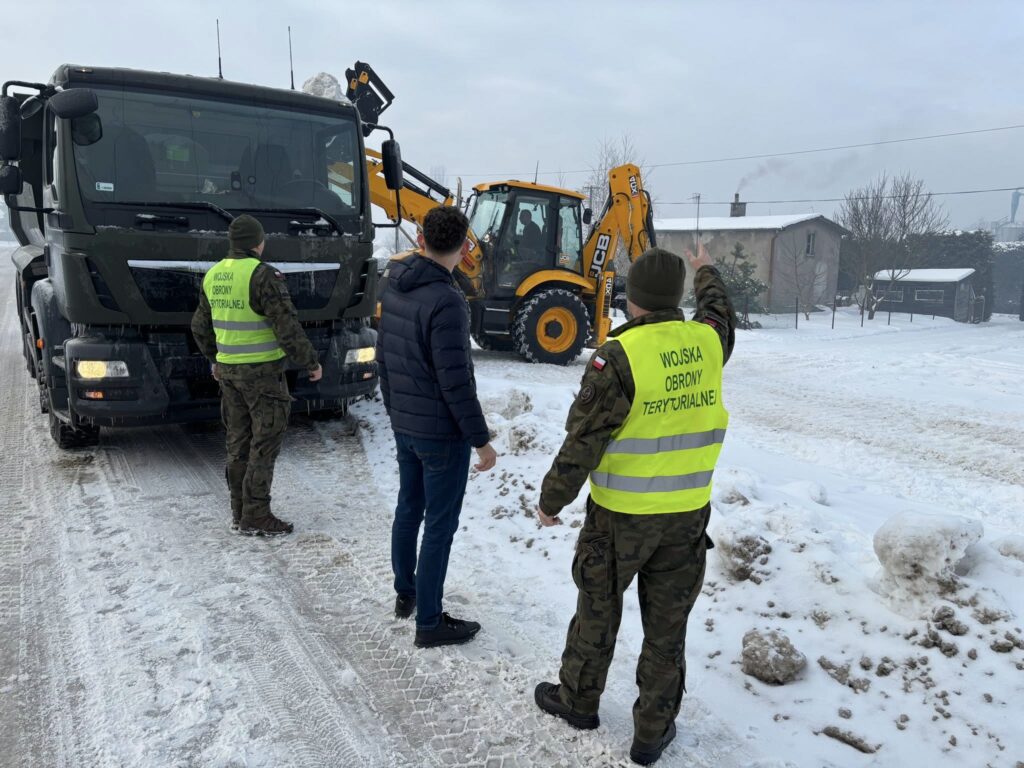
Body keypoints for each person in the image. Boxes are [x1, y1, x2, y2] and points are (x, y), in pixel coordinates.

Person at [532, 245, 736, 766]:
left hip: (619, 518)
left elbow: (585, 440)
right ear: (676, 296)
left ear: (633, 298)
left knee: (598, 608)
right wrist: (705, 269)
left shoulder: (619, 356)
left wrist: (552, 500)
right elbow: (719, 310)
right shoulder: (708, 341)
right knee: (667, 628)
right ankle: (652, 731)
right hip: (686, 518)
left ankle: (578, 700)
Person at [376, 205, 498, 648]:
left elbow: (384, 357)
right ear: (465, 248)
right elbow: (456, 381)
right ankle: (429, 622)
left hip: (406, 424)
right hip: (440, 436)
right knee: (439, 526)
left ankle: (406, 594)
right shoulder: (447, 300)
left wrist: (395, 413)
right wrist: (481, 440)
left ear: (421, 239)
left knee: (409, 508)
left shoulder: (395, 285)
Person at [191, 214, 323, 536]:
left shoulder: (213, 275)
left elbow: (199, 327)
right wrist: (310, 362)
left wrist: (215, 359)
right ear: (258, 243)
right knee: (264, 444)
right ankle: (257, 515)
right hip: (262, 375)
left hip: (229, 375)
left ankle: (239, 513)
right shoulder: (262, 275)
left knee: (238, 443)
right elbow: (286, 326)